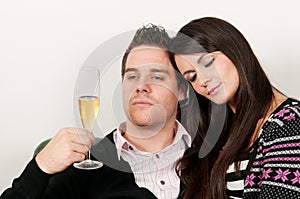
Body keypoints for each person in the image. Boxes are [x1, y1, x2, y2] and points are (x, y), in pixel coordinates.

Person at [1, 24, 191, 199]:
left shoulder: (211, 158)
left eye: (156, 76)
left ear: (182, 90)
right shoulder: (84, 165)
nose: (141, 86)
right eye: (132, 76)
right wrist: (41, 167)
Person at [170, 17, 300, 199]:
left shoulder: (289, 124)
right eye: (192, 77)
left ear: (234, 50)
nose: (203, 80)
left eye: (207, 62)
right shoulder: (220, 132)